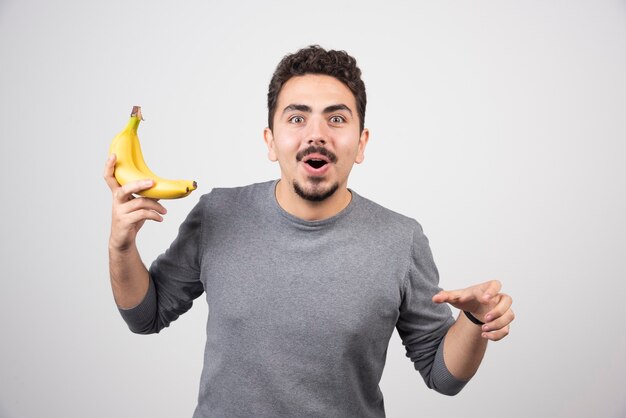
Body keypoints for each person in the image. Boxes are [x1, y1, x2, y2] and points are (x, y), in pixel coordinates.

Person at [104, 45, 514, 418]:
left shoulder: (400, 240)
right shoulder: (217, 215)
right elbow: (146, 316)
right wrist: (121, 245)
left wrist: (475, 322)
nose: (316, 134)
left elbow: (443, 376)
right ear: (270, 141)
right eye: (297, 118)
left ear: (362, 142)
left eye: (337, 118)